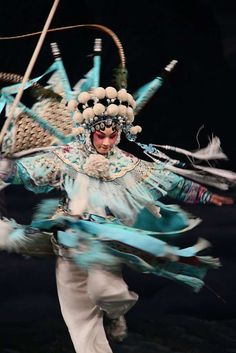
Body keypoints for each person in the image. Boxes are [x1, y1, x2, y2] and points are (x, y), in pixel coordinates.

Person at [0, 83, 234, 353]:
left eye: (113, 136)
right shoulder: (67, 158)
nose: (107, 142)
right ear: (90, 132)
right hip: (68, 240)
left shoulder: (126, 163)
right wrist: (7, 169)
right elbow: (30, 170)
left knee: (108, 293)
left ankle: (114, 313)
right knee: (78, 315)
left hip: (104, 243)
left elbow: (170, 181)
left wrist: (206, 196)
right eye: (101, 136)